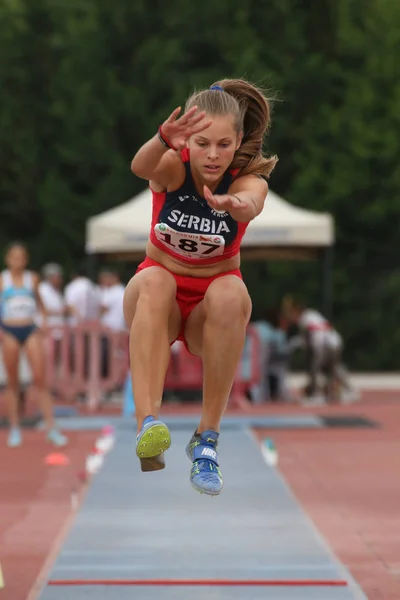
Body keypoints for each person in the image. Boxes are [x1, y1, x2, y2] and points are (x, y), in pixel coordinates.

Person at [123, 78, 277, 495]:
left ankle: (206, 440)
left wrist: (236, 205)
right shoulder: (173, 165)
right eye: (203, 143)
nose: (212, 155)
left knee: (231, 291)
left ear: (239, 140)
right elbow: (140, 167)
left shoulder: (247, 180)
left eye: (224, 145)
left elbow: (254, 200)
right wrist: (160, 140)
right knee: (155, 279)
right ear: (188, 140)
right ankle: (148, 424)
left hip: (207, 314)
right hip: (157, 301)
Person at [0, 242, 68, 447]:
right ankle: (15, 427)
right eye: (14, 257)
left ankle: (51, 428)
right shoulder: (2, 280)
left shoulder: (33, 279)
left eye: (21, 257)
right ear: (8, 259)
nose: (17, 260)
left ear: (26, 259)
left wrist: (43, 323)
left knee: (40, 380)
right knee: (13, 383)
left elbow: (42, 306)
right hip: (10, 330)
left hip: (30, 330)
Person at [284, 300, 354, 402]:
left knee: (315, 368)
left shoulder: (305, 319)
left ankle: (317, 394)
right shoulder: (310, 316)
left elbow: (317, 333)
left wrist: (317, 352)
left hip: (327, 345)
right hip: (333, 343)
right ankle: (348, 390)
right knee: (333, 368)